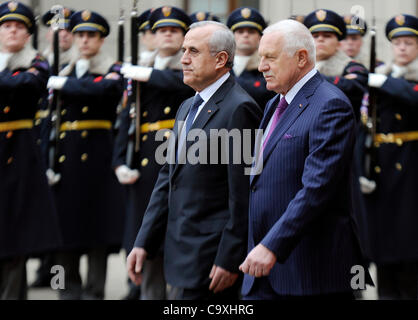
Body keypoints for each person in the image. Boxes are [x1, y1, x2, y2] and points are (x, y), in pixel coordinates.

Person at [127, 21, 262, 300]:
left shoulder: (241, 108)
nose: (183, 59)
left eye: (193, 51)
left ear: (220, 59)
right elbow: (168, 178)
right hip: (180, 252)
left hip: (213, 260)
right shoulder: (188, 106)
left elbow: (245, 195)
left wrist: (230, 257)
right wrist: (143, 242)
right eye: (183, 50)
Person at [240, 19, 370, 299]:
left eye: (270, 58)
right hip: (263, 269)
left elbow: (316, 188)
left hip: (309, 272)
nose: (262, 66)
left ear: (301, 58)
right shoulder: (276, 102)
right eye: (261, 58)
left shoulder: (329, 105)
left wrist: (272, 246)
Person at [115, 6, 194, 300]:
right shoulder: (141, 66)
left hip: (179, 151)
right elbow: (129, 117)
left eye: (174, 30)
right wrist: (119, 160)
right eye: (162, 30)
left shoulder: (187, 65)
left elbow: (184, 83)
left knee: (175, 236)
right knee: (144, 235)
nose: (167, 35)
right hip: (145, 158)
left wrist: (149, 74)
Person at [46, 10, 125, 300]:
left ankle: (95, 293)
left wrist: (64, 84)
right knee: (61, 236)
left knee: (97, 235)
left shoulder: (111, 69)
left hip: (96, 159)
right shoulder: (62, 69)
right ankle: (62, 290)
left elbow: (105, 89)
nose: (84, 40)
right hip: (65, 160)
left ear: (102, 39)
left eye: (91, 35)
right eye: (80, 35)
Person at [353, 14, 418, 300]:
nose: (402, 48)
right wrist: (362, 169)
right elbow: (366, 124)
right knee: (383, 248)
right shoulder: (384, 73)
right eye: (398, 43)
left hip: (412, 167)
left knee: (409, 247)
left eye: (409, 42)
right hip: (382, 168)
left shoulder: (395, 79)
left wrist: (385, 83)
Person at [0, 0, 61, 299]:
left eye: (19, 27)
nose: (12, 31)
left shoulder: (36, 61)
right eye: (7, 26)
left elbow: (30, 83)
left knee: (15, 237)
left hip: (20, 155)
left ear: (27, 35)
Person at [30, 6, 78, 289]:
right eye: (58, 29)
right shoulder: (41, 63)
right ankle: (44, 269)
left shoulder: (78, 64)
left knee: (61, 217)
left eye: (68, 30)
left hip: (65, 145)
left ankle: (57, 278)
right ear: (49, 33)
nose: (62, 35)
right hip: (37, 140)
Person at [304, 9, 368, 122]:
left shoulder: (351, 67)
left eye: (327, 36)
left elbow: (354, 86)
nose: (321, 39)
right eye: (315, 36)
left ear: (338, 43)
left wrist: (307, 79)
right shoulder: (299, 66)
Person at [227, 7, 275, 110]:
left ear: (260, 37)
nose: (245, 35)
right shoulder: (221, 64)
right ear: (231, 36)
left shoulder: (269, 65)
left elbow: (265, 92)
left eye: (251, 31)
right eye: (240, 31)